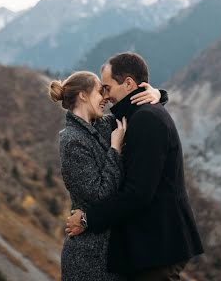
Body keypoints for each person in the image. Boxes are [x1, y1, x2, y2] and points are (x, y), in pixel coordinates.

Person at [65, 52, 203, 281]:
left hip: (158, 245)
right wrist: (160, 95)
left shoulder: (146, 119)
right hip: (153, 244)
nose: (105, 96)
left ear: (128, 83)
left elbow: (138, 194)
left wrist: (87, 219)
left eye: (107, 88)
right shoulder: (138, 115)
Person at [49, 70, 166, 281]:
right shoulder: (72, 141)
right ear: (83, 95)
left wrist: (158, 95)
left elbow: (135, 111)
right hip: (88, 257)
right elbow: (99, 195)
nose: (105, 98)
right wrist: (114, 149)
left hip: (110, 250)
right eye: (99, 92)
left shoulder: (100, 125)